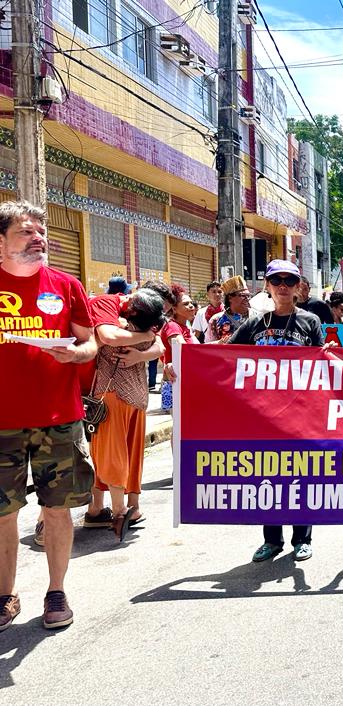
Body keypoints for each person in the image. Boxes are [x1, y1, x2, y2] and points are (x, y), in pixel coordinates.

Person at [0, 201, 97, 631]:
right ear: (0, 241)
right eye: (26, 232)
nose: (39, 238)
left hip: (59, 418)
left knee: (58, 509)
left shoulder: (67, 285)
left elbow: (90, 343)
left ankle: (56, 590)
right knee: (3, 513)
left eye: (41, 232)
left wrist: (76, 353)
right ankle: (5, 595)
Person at [231, 260, 324, 563]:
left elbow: (325, 363)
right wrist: (180, 362)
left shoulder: (309, 322)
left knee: (301, 476)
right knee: (268, 476)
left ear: (298, 287)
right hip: (264, 416)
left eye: (290, 281)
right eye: (277, 281)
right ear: (267, 287)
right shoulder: (254, 324)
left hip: (301, 415)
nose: (283, 286)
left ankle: (303, 539)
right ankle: (272, 540)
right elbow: (223, 356)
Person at [83, 282, 170, 541]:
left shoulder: (123, 327)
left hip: (114, 397)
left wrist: (144, 346)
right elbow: (159, 346)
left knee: (110, 454)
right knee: (125, 456)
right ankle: (123, 508)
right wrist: (147, 340)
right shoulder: (137, 331)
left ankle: (118, 510)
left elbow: (159, 347)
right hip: (130, 398)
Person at [159, 284, 195, 412]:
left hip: (184, 382)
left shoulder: (185, 326)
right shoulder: (173, 326)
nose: (191, 306)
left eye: (192, 303)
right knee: (180, 429)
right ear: (174, 309)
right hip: (176, 384)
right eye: (186, 304)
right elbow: (184, 351)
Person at [206, 276, 250, 344]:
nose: (247, 298)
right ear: (230, 298)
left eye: (248, 295)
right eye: (243, 295)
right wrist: (219, 343)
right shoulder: (216, 320)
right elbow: (207, 347)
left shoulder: (256, 317)